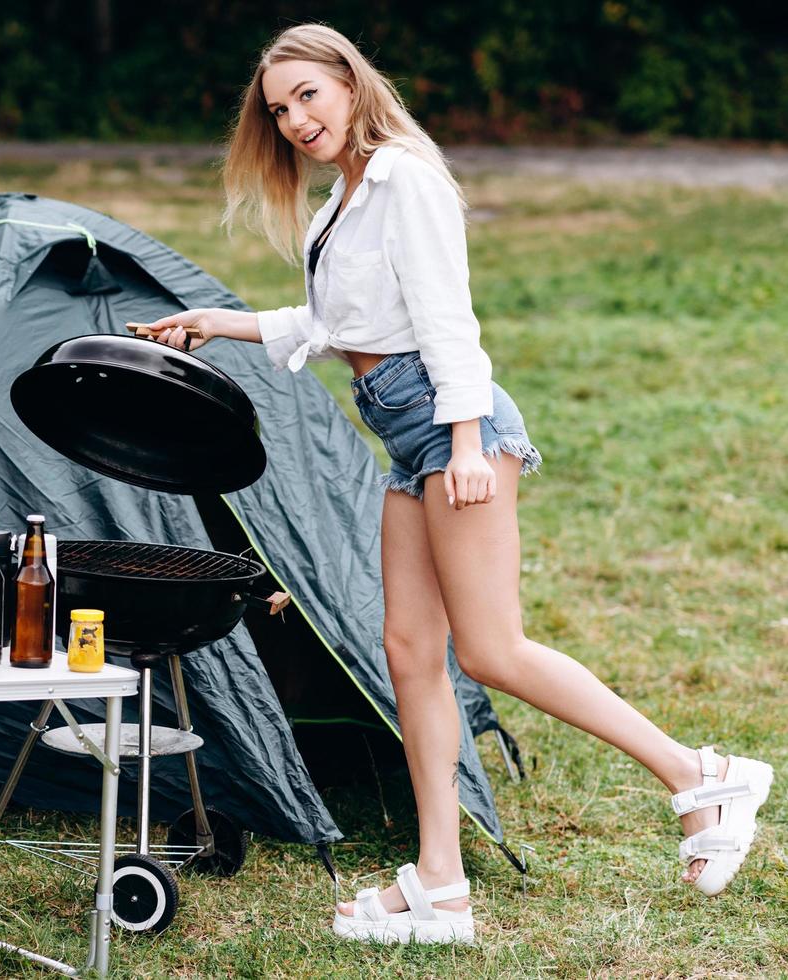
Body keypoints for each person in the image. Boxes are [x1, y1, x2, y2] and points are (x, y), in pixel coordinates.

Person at [136, 23, 773, 945]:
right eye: (278, 110)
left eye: (308, 95)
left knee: (490, 649)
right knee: (406, 651)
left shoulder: (405, 177)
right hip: (404, 433)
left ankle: (701, 773)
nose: (294, 119)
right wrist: (215, 321)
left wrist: (466, 443)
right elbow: (333, 323)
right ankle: (440, 885)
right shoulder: (343, 199)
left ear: (349, 84)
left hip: (446, 423)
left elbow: (446, 318)